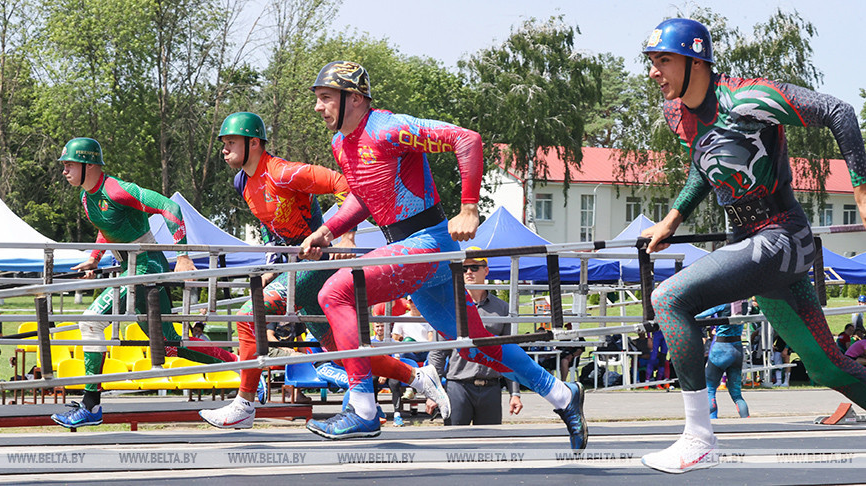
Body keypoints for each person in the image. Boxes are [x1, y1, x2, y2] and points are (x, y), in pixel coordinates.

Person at [300, 61, 585, 449]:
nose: (318, 107)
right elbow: (365, 197)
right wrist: (327, 230)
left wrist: (469, 208)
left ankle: (364, 410)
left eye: (325, 98)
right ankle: (563, 395)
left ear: (354, 98)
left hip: (427, 244)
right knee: (477, 344)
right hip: (416, 254)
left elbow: (466, 140)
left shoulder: (387, 128)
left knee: (335, 293)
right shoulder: (341, 144)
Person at [640, 18, 866, 473]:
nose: (653, 72)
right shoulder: (677, 113)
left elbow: (839, 111)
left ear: (696, 61)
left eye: (663, 60)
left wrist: (861, 192)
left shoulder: (749, 99)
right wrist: (672, 218)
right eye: (650, 61)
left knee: (668, 298)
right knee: (827, 368)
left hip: (782, 236)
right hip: (749, 244)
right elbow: (706, 164)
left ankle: (699, 439)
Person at [199, 113, 449, 429]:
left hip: (318, 262)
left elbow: (345, 185)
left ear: (254, 143)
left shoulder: (284, 173)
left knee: (250, 315)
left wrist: (346, 234)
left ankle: (245, 405)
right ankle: (418, 376)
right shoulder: (242, 182)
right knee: (342, 351)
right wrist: (272, 268)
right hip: (294, 265)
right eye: (223, 143)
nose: (224, 149)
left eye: (231, 142)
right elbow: (270, 228)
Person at [52, 137, 220, 428]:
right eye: (64, 165)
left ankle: (91, 406)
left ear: (88, 165)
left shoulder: (117, 189)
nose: (64, 171)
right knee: (170, 345)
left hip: (145, 267)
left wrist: (182, 255)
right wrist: (94, 258)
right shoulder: (87, 196)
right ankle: (243, 368)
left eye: (69, 165)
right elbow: (107, 228)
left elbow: (169, 206)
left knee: (91, 321)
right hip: (130, 268)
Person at [426, 250, 523, 425]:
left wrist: (514, 393)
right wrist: (433, 393)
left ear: (486, 270)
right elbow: (438, 353)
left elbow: (510, 354)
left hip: (491, 387)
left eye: (474, 267)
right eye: (464, 269)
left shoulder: (502, 308)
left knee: (490, 440)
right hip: (457, 386)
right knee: (454, 439)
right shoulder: (449, 307)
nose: (469, 272)